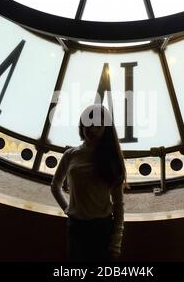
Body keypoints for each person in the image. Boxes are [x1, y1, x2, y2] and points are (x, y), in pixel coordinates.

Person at [51, 104, 128, 262]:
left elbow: (55, 187)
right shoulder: (112, 160)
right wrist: (116, 244)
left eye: (97, 125)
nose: (92, 129)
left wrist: (69, 210)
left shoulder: (70, 155)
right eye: (89, 124)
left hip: (76, 227)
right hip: (102, 228)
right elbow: (118, 205)